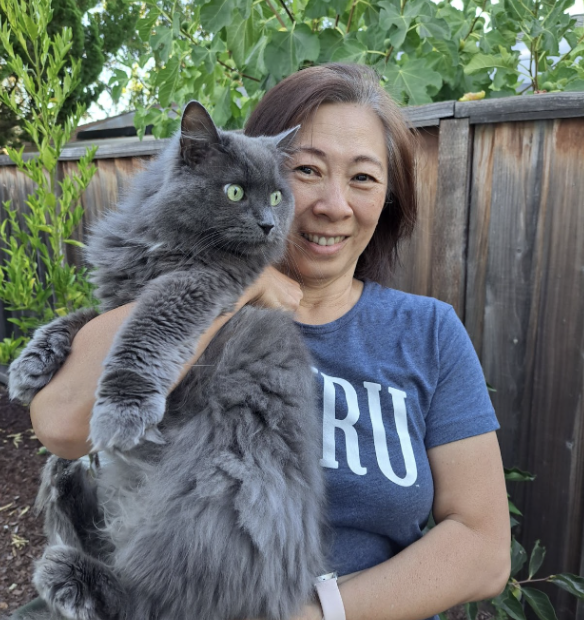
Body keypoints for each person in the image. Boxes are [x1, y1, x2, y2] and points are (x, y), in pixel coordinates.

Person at [28, 64, 510, 620]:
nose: (334, 204)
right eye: (307, 169)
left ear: (389, 201)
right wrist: (237, 283)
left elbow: (483, 547)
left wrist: (316, 615)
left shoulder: (428, 332)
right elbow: (63, 426)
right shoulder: (174, 302)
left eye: (363, 178)